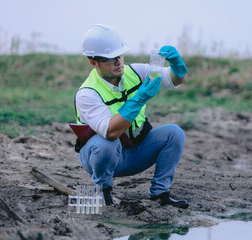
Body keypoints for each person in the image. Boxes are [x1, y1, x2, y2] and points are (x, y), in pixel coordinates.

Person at [73, 24, 189, 209]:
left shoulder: (135, 72)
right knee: (106, 143)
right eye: (110, 59)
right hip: (103, 157)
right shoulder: (87, 93)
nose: (118, 62)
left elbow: (175, 79)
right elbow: (111, 132)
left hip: (136, 152)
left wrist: (177, 66)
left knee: (174, 133)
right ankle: (104, 191)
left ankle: (160, 194)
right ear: (94, 63)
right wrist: (139, 98)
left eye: (119, 55)